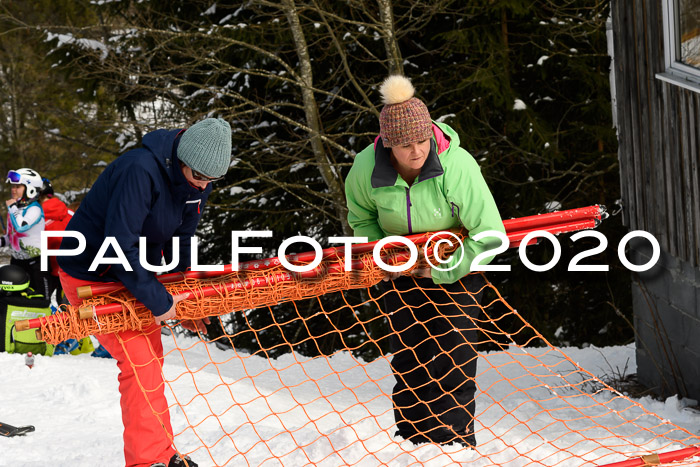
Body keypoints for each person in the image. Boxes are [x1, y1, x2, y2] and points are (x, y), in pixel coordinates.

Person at [58, 117, 232, 467]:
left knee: (149, 362)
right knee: (139, 363)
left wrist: (187, 299)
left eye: (212, 181)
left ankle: (162, 454)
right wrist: (157, 300)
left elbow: (183, 239)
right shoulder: (139, 170)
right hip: (91, 278)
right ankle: (147, 461)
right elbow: (118, 245)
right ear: (182, 159)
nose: (203, 187)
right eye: (199, 177)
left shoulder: (196, 181)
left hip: (131, 278)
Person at [344, 75, 505, 448]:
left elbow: (490, 233)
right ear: (388, 145)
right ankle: (411, 443)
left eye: (422, 141)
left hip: (456, 267)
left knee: (453, 356)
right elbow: (362, 218)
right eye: (404, 145)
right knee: (410, 357)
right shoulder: (365, 170)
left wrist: (445, 268)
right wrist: (380, 254)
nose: (416, 152)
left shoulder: (457, 166)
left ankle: (454, 444)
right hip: (400, 273)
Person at [1, 168, 51, 299]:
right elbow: (11, 237)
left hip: (37, 263)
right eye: (13, 186)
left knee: (41, 300)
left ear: (31, 189)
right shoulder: (15, 209)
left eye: (18, 187)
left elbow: (21, 227)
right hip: (17, 262)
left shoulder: (34, 208)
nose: (13, 190)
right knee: (15, 299)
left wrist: (12, 208)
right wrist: (2, 241)